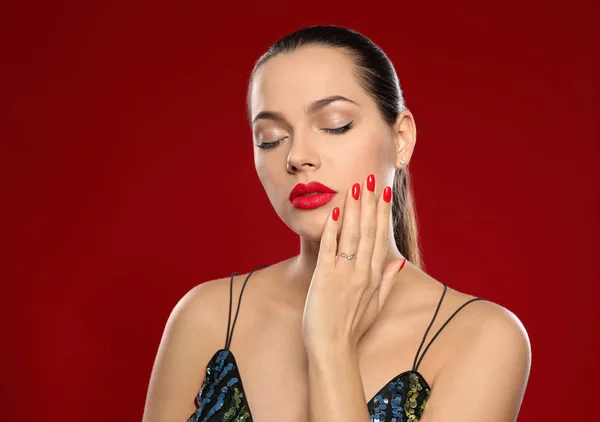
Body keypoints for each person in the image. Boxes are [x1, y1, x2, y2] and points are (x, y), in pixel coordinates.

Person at [142, 25, 531, 422]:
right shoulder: (208, 315)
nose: (298, 156)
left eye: (335, 124)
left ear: (401, 139)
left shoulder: (480, 338)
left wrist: (330, 346)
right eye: (270, 137)